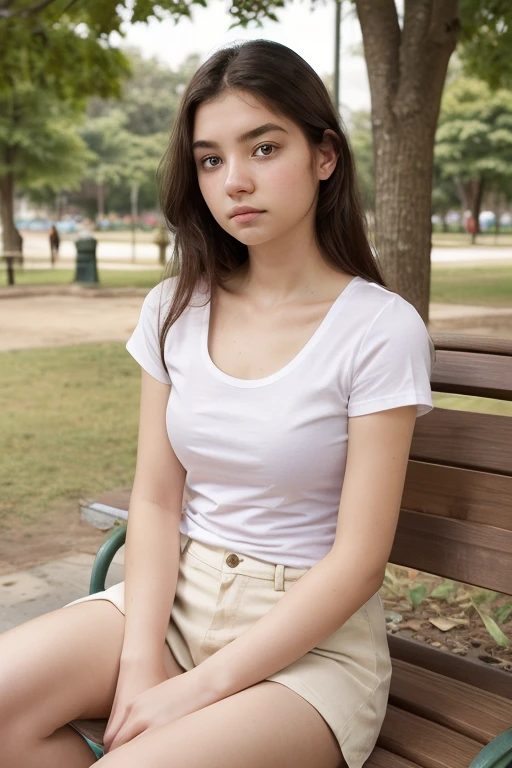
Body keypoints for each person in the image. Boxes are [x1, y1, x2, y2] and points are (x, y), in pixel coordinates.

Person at [0, 40, 435, 768]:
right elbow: (156, 500)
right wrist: (141, 662)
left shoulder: (379, 329)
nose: (235, 180)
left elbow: (359, 563)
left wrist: (195, 691)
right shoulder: (174, 308)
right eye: (210, 159)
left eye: (264, 148)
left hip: (310, 644)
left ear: (324, 155)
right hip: (174, 602)